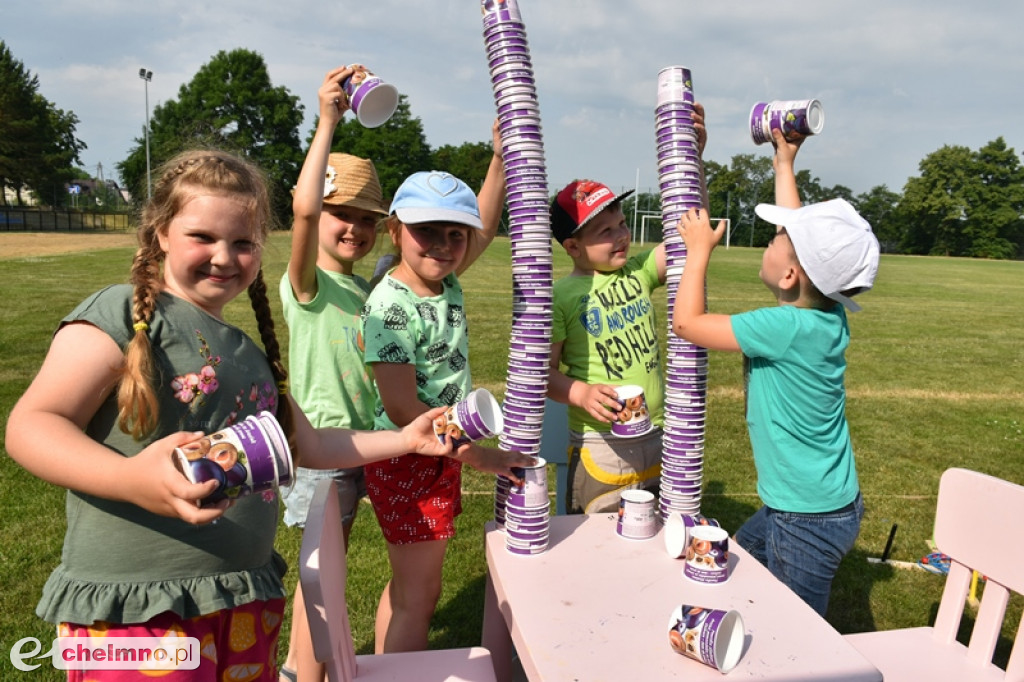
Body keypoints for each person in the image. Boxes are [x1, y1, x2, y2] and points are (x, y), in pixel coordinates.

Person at [3, 148, 528, 682]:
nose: (225, 257)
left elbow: (312, 445)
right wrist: (129, 477)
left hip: (239, 598)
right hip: (134, 609)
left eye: (243, 243)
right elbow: (32, 425)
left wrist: (407, 440)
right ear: (160, 232)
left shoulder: (248, 354)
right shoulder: (123, 314)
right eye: (203, 238)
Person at [670, 127, 880, 616]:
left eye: (778, 237)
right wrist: (784, 163)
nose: (772, 237)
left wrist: (698, 252)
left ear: (789, 276)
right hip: (822, 503)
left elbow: (688, 323)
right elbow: (804, 245)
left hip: (805, 518)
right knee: (741, 554)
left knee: (798, 630)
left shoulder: (781, 325)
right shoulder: (826, 314)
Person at [360, 149, 509, 653]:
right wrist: (477, 454)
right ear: (395, 230)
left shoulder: (442, 281)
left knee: (406, 588)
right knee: (419, 600)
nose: (444, 245)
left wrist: (499, 157)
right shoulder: (391, 306)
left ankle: (383, 667)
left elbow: (483, 228)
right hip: (410, 458)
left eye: (455, 234)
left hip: (434, 453)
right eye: (427, 230)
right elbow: (404, 410)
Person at [276, 66, 386, 682]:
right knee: (321, 572)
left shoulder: (363, 288)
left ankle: (299, 668)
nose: (355, 228)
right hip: (323, 449)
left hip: (364, 445)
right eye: (341, 214)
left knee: (328, 567)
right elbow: (302, 209)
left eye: (367, 218)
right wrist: (327, 120)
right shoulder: (307, 285)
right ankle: (304, 671)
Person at [546, 105, 707, 514]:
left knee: (649, 536)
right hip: (600, 445)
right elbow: (541, 376)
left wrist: (694, 162)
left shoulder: (638, 271)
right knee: (595, 544)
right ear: (573, 247)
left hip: (657, 435)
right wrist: (579, 392)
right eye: (605, 232)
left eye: (620, 223)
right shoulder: (560, 297)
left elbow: (692, 235)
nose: (621, 236)